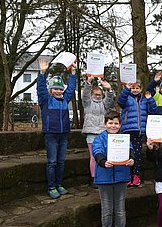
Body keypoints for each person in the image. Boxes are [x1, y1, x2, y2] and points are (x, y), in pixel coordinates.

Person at [92, 110, 135, 227]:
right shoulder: (100, 138)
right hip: (104, 179)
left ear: (120, 125)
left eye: (116, 123)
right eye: (110, 123)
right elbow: (96, 151)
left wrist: (131, 159)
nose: (113, 126)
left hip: (121, 178)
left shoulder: (123, 138)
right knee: (106, 209)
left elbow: (130, 150)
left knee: (120, 209)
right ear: (105, 124)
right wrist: (103, 161)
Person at [36, 58, 77, 199]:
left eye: (60, 89)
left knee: (61, 161)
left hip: (64, 134)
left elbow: (71, 88)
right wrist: (42, 73)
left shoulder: (65, 99)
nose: (59, 91)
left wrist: (72, 73)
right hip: (51, 135)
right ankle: (51, 186)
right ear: (50, 90)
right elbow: (40, 88)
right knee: (52, 162)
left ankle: (59, 184)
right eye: (56, 89)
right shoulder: (45, 100)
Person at [117, 82, 158, 187]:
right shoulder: (127, 98)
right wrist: (126, 89)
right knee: (126, 154)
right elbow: (120, 101)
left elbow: (153, 110)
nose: (135, 90)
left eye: (137, 88)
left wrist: (150, 99)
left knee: (137, 154)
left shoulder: (144, 100)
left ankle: (136, 175)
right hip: (127, 129)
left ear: (141, 89)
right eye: (133, 88)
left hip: (139, 131)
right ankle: (127, 176)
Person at [81, 77, 115, 186]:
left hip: (103, 132)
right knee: (93, 156)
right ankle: (94, 177)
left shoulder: (104, 104)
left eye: (99, 94)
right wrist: (88, 83)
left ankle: (103, 175)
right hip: (91, 133)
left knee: (104, 155)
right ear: (91, 94)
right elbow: (85, 94)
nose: (98, 96)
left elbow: (109, 100)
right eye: (95, 94)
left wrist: (109, 90)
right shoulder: (87, 103)